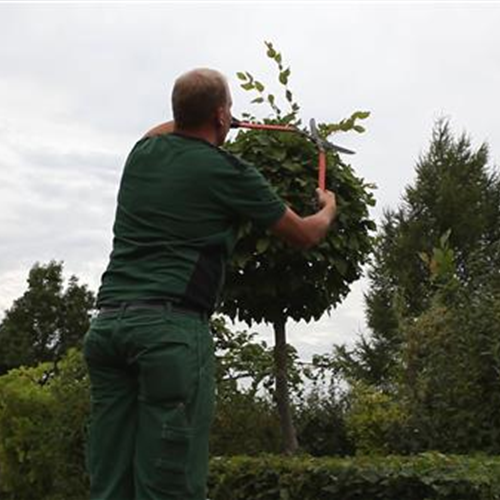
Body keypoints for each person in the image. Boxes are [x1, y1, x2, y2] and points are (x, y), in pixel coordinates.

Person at [83, 68, 337, 500]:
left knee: (111, 481)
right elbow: (305, 234)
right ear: (220, 115)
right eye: (229, 110)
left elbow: (162, 128)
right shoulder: (229, 172)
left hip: (108, 330)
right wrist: (327, 207)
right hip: (169, 334)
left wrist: (209, 118)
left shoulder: (142, 154)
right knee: (170, 483)